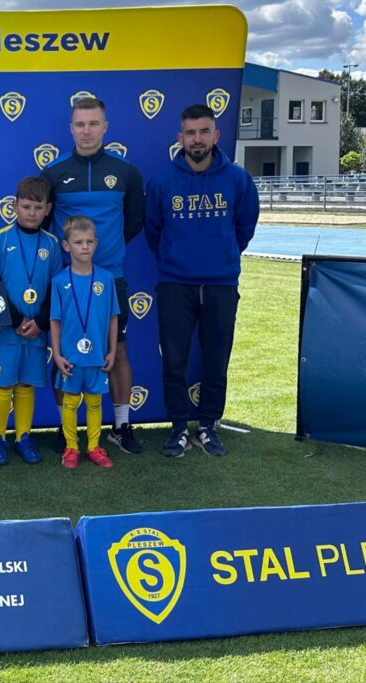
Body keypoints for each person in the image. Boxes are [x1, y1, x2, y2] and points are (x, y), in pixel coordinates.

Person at [144, 104, 259, 458]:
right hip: (175, 283)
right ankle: (179, 427)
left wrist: (220, 257)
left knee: (216, 359)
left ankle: (208, 425)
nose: (197, 139)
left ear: (215, 135)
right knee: (174, 360)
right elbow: (153, 230)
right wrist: (177, 259)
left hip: (221, 284)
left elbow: (245, 227)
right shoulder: (162, 180)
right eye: (191, 133)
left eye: (204, 131)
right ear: (180, 137)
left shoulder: (238, 179)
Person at [40, 97, 144, 455]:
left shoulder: (126, 172)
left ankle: (121, 426)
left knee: (118, 349)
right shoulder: (53, 173)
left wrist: (105, 253)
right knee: (63, 351)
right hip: (66, 280)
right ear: (71, 128)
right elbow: (43, 223)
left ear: (105, 127)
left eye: (93, 123)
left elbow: (134, 222)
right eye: (80, 124)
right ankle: (64, 427)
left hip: (110, 276)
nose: (87, 131)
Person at [0, 177, 62, 465]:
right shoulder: (0, 238)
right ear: (14, 206)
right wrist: (15, 320)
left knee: (27, 384)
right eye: (26, 206)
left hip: (36, 330)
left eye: (38, 207)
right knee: (3, 385)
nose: (31, 212)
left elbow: (55, 287)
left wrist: (40, 322)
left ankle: (23, 437)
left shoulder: (52, 243)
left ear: (48, 209)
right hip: (6, 329)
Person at [50, 216, 119, 470]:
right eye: (78, 242)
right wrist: (57, 354)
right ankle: (71, 446)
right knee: (70, 402)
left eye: (89, 241)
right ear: (66, 246)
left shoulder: (106, 278)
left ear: (96, 243)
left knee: (94, 402)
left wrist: (112, 350)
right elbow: (55, 320)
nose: (85, 247)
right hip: (70, 356)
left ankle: (93, 447)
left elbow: (113, 317)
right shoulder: (59, 281)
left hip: (97, 355)